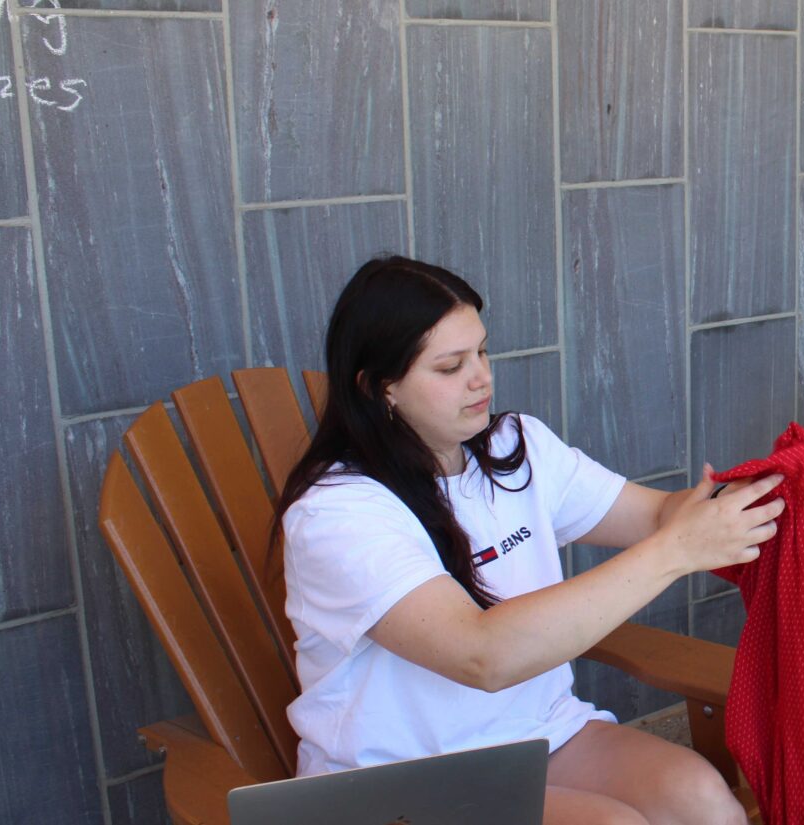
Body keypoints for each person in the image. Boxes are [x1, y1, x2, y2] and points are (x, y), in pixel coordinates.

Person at [276, 256, 774, 825]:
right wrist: (677, 550)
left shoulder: (517, 447)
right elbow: (481, 654)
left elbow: (658, 515)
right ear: (378, 388)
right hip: (402, 782)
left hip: (536, 736)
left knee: (705, 801)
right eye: (449, 367)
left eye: (482, 352)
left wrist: (732, 502)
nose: (481, 377)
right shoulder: (338, 513)